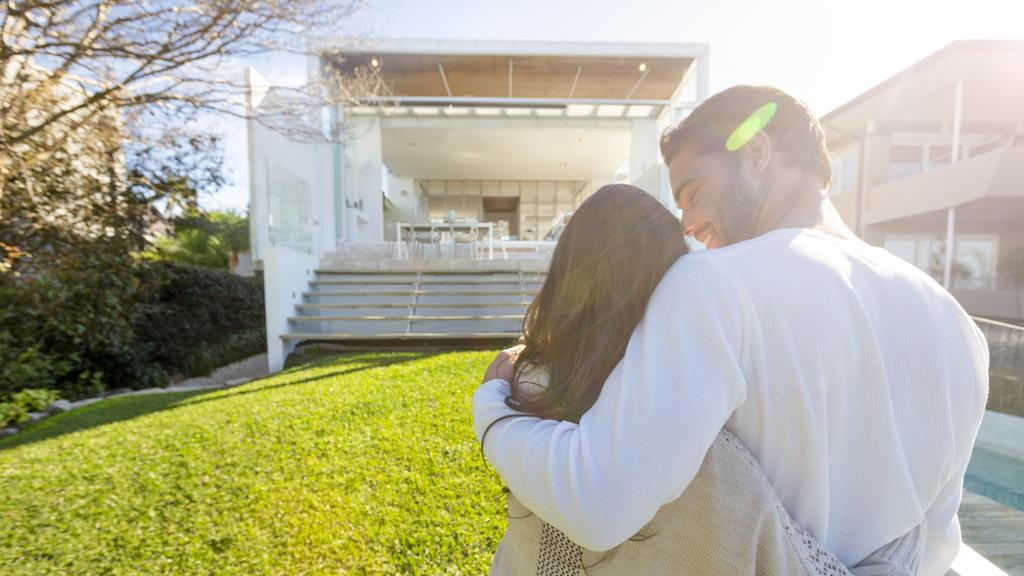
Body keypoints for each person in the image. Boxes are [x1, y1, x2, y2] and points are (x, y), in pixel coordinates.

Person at [474, 86, 989, 576]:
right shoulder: (956, 323)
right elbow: (933, 546)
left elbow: (599, 501)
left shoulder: (713, 285)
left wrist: (493, 407)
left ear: (758, 151)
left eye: (694, 193)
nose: (689, 224)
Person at [480, 183, 924, 575]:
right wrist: (908, 536)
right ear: (669, 282)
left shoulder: (527, 389)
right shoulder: (703, 447)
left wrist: (491, 400)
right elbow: (792, 560)